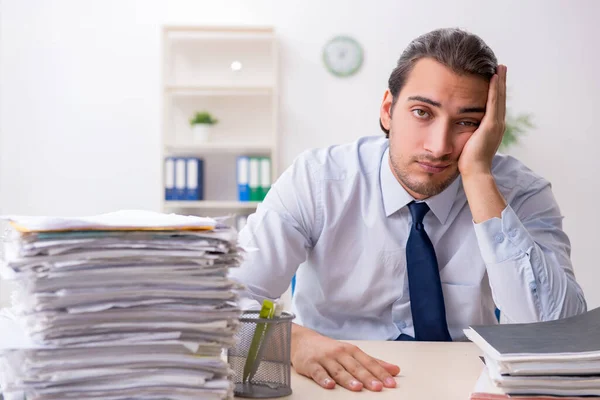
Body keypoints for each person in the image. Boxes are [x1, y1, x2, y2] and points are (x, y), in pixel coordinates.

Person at [229, 28, 587, 393]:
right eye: (422, 112)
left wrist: (478, 176)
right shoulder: (318, 181)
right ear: (388, 111)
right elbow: (223, 302)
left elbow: (559, 335)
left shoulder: (519, 193)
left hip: (462, 385)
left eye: (467, 122)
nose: (439, 146)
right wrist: (294, 342)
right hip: (332, 387)